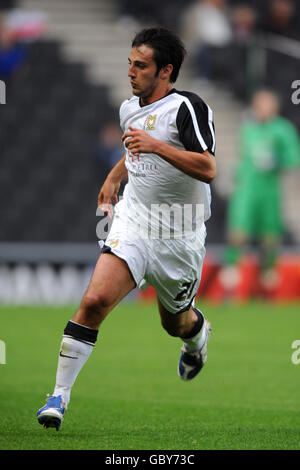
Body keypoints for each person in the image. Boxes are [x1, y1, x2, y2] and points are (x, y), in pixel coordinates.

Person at [37, 28, 216, 431]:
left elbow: (208, 167)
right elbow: (134, 145)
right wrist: (115, 176)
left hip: (181, 238)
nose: (131, 72)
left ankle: (197, 336)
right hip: (135, 223)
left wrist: (157, 146)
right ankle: (58, 397)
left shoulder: (187, 107)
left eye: (141, 65)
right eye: (129, 64)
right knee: (95, 300)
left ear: (165, 70)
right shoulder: (128, 108)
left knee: (175, 323)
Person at [224, 89, 300, 291]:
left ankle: (268, 274)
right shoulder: (248, 128)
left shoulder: (283, 129)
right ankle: (231, 270)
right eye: (259, 104)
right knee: (239, 230)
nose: (262, 108)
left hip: (270, 190)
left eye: (266, 104)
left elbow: (294, 157)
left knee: (270, 234)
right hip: (247, 189)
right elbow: (243, 157)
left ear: (274, 106)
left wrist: (277, 160)